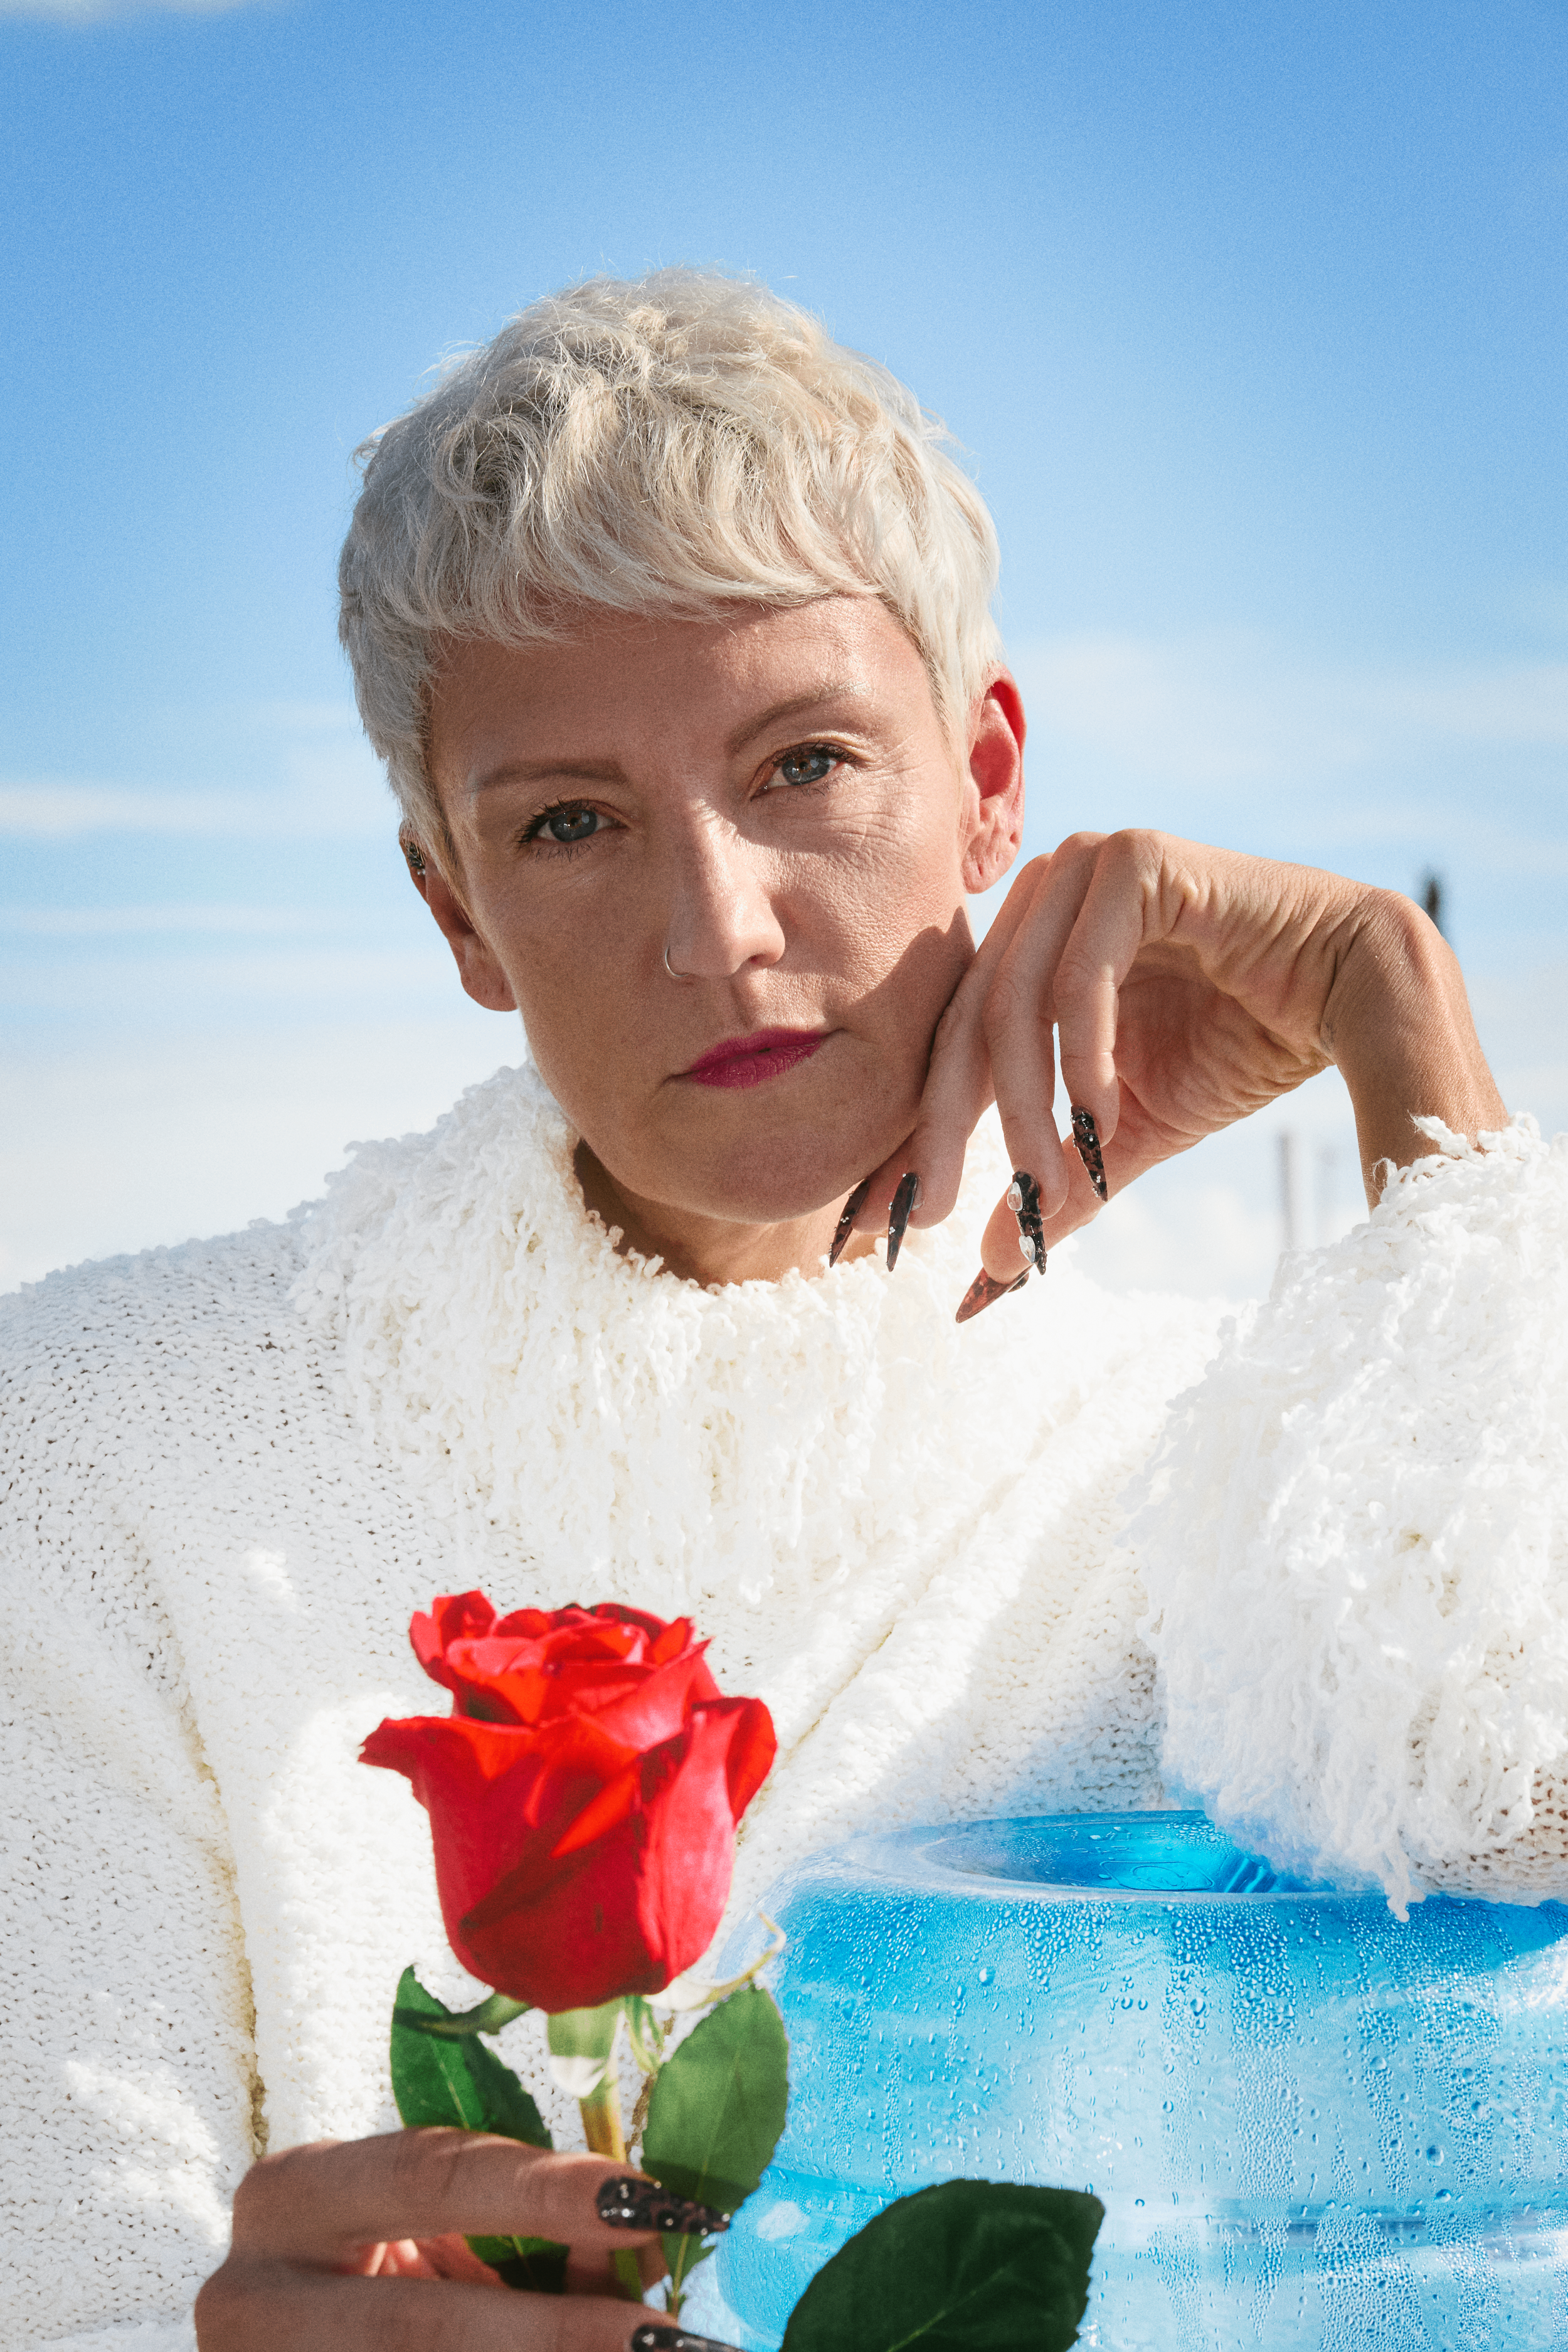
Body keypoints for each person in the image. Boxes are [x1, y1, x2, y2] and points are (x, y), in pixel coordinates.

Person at [4, 268, 1566, 2352]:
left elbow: (1518, 1826)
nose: (712, 927)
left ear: (988, 778)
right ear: (453, 907)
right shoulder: (101, 1444)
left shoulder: (1211, 1462)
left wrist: (1407, 1045)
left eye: (805, 763)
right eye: (568, 822)